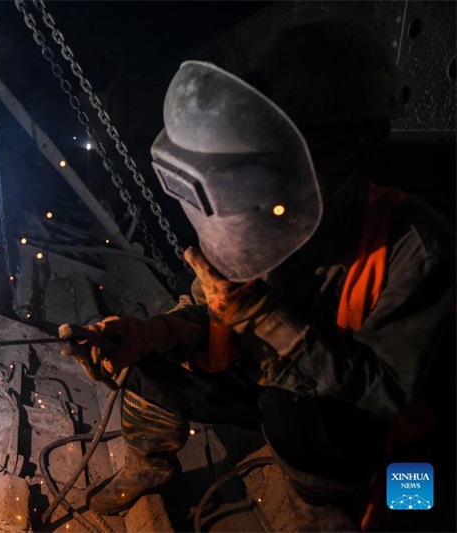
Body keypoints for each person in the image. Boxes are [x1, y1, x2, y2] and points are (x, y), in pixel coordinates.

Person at [59, 22, 455, 530]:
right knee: (149, 359)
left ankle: (321, 506)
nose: (292, 165)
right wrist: (153, 334)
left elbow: (385, 390)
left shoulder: (417, 248)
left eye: (313, 144)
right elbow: (211, 305)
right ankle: (147, 466)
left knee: (297, 414)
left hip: (359, 430)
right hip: (262, 380)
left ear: (366, 142)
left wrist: (261, 319)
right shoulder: (261, 209)